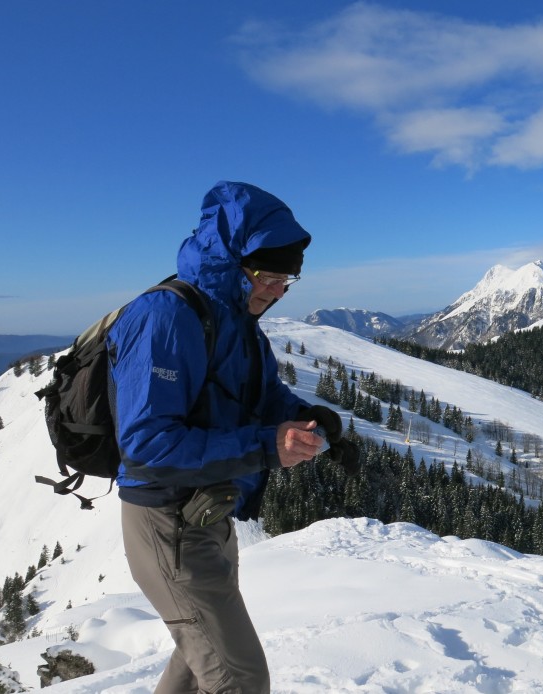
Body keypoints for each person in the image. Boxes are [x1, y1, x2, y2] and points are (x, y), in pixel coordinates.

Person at [109, 181, 356, 693]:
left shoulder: (241, 324)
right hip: (167, 521)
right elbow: (147, 444)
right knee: (239, 678)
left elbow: (265, 396)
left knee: (197, 667)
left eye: (287, 281)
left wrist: (311, 417)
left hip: (211, 514)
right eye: (267, 275)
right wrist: (267, 446)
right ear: (232, 259)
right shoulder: (166, 317)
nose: (276, 290)